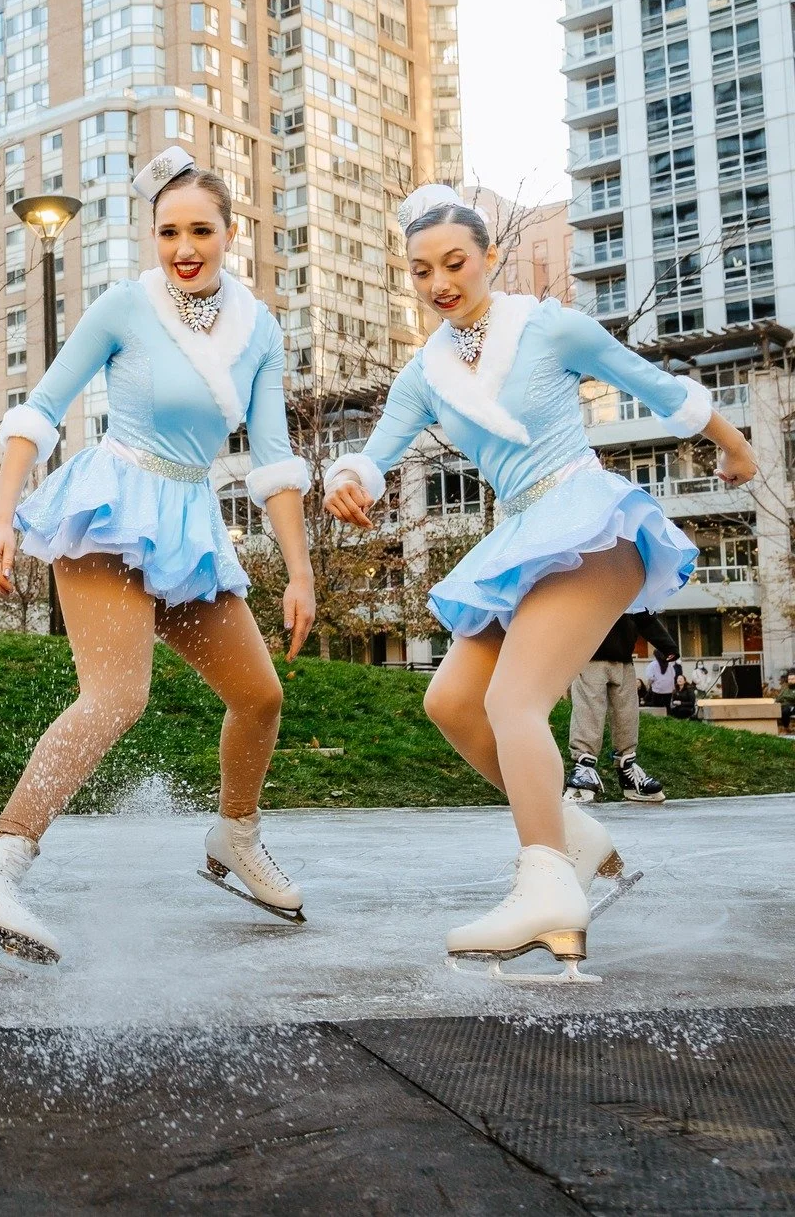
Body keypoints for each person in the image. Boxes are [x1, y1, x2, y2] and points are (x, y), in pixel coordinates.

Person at [324, 184, 756, 981]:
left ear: (490, 258)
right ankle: (568, 833)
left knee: (511, 702)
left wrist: (731, 442)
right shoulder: (427, 372)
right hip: (522, 535)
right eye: (421, 271)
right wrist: (347, 477)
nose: (440, 282)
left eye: (455, 262)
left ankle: (547, 886)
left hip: (587, 521)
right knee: (450, 701)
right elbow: (375, 451)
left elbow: (651, 381)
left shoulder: (547, 326)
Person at [0, 146, 317, 965]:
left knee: (261, 696)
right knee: (117, 697)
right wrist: (2, 519)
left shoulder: (260, 328)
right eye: (168, 231)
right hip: (111, 504)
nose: (185, 246)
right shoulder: (123, 306)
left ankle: (235, 835)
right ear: (151, 235)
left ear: (230, 232)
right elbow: (38, 411)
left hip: (189, 521)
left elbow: (275, 460)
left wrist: (302, 570)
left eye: (201, 230)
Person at [566, 612, 673, 803]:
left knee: (627, 713)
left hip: (623, 657)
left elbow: (643, 613)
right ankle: (584, 764)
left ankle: (627, 766)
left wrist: (666, 645)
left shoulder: (628, 583)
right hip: (589, 655)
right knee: (589, 710)